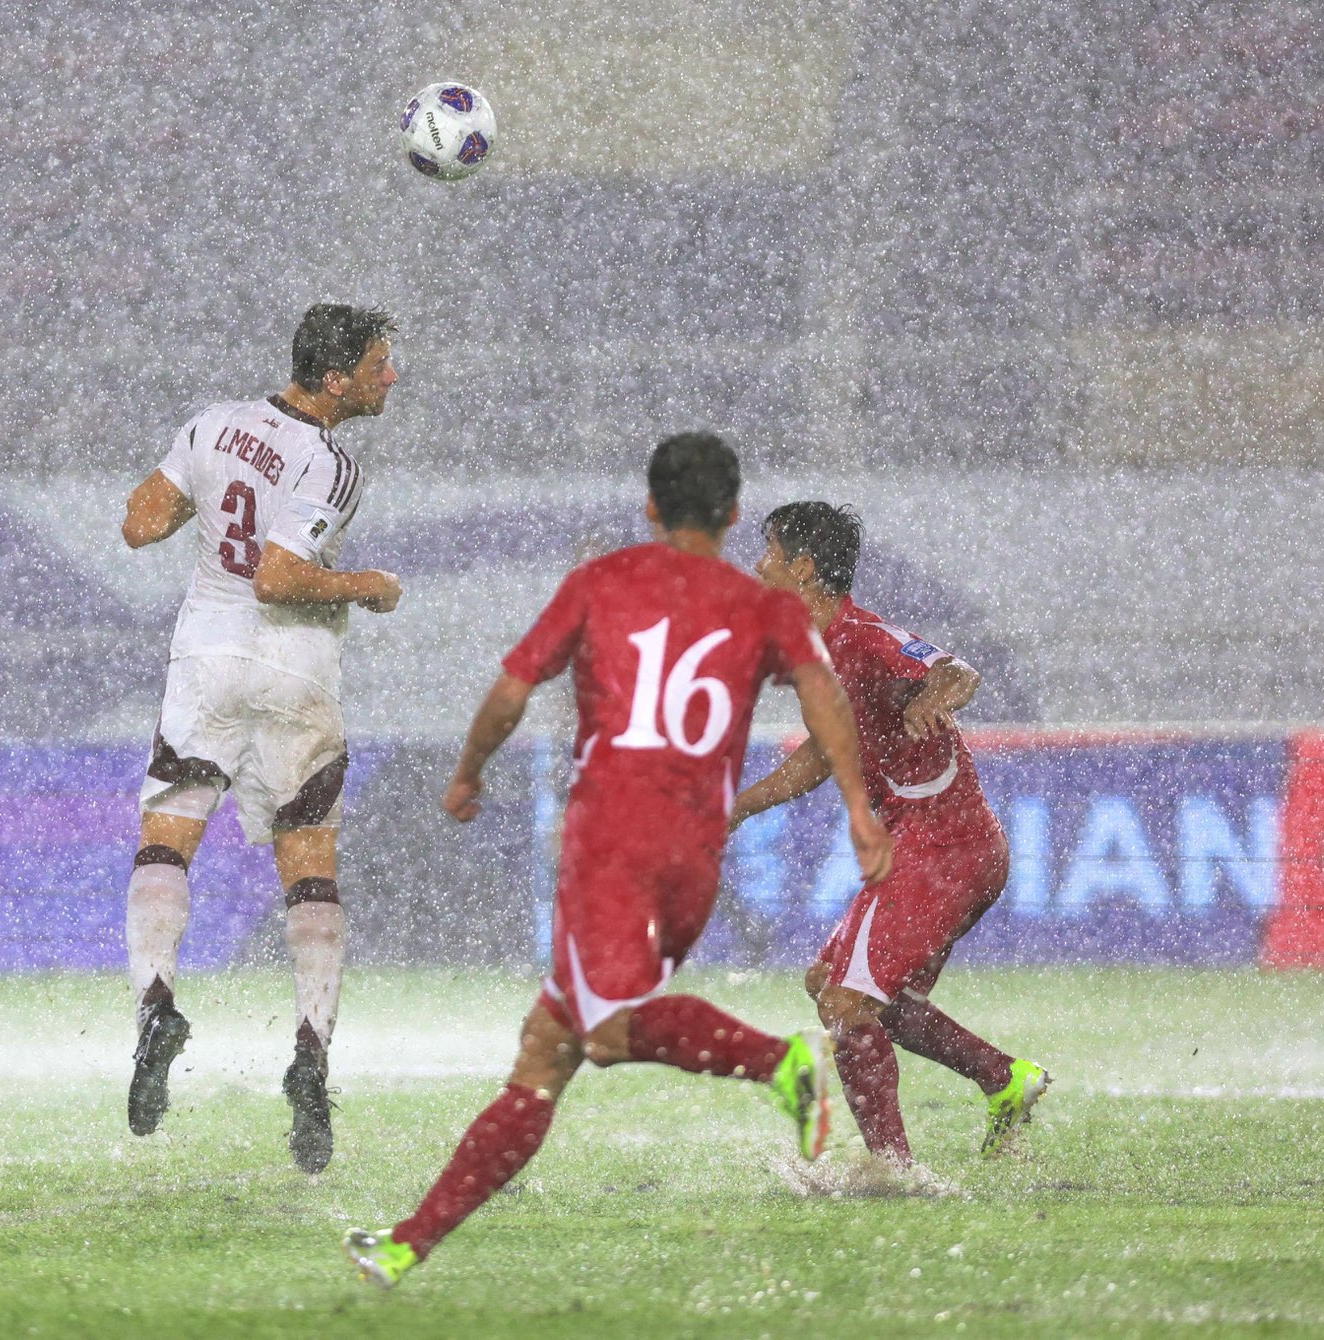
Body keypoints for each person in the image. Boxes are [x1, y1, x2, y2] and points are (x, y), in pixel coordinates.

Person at [344, 433, 894, 1289]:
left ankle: (780, 1061)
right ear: (735, 513)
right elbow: (824, 696)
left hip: (611, 845)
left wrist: (466, 772)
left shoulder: (602, 583)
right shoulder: (766, 609)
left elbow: (512, 691)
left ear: (650, 506)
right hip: (694, 861)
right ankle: (407, 1243)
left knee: (601, 1030)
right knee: (546, 1051)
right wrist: (859, 810)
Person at [117, 303, 404, 1174]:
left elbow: (139, 524)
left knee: (166, 844)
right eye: (380, 365)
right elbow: (281, 578)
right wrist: (368, 583)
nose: (392, 378)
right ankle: (312, 1056)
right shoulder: (330, 461)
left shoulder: (210, 422)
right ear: (334, 379)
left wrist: (199, 485)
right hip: (294, 671)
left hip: (207, 658)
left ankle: (157, 1008)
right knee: (309, 867)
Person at [733, 500, 1050, 1172]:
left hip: (946, 847)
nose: (757, 564)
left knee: (850, 1005)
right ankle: (1004, 1078)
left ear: (803, 567)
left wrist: (935, 697)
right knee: (835, 987)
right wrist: (735, 810)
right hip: (933, 846)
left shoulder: (862, 635)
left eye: (767, 551)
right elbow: (822, 754)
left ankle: (891, 1171)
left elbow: (957, 673)